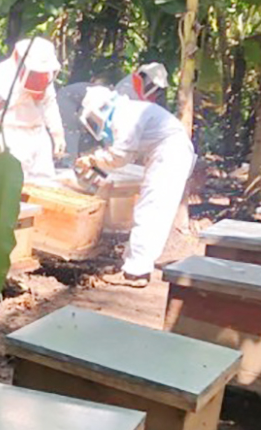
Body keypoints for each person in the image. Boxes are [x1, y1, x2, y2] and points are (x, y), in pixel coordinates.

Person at [76, 87, 195, 288]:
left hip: (170, 155)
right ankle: (133, 263)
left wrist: (93, 159)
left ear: (99, 110)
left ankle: (136, 272)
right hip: (168, 153)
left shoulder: (125, 116)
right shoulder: (129, 111)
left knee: (150, 211)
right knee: (149, 210)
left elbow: (120, 157)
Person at [0, 37, 66, 181]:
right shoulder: (1, 77)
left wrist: (57, 133)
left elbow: (49, 103)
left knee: (45, 184)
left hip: (39, 135)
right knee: (16, 185)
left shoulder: (45, 73)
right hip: (11, 137)